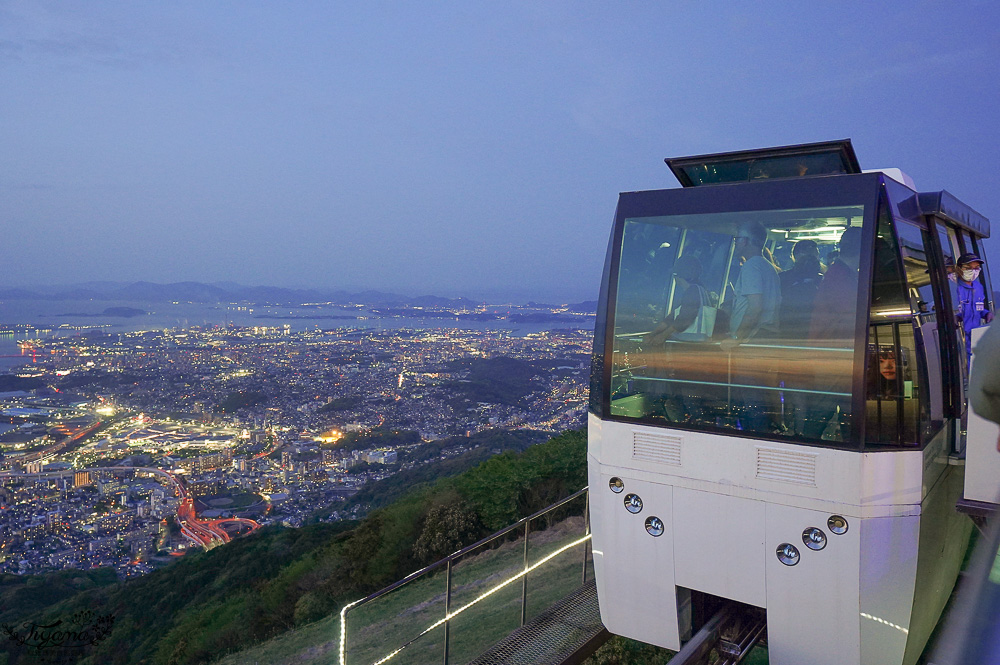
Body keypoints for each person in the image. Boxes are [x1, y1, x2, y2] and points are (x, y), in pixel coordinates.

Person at [720, 221, 781, 432]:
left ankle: (755, 439)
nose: (736, 244)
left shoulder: (751, 266)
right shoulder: (768, 267)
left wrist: (736, 338)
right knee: (761, 395)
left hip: (751, 342)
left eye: (737, 240)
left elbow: (755, 308)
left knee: (752, 398)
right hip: (764, 339)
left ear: (745, 241)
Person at [779, 239, 824, 340]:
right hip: (787, 331)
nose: (812, 259)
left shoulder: (824, 281)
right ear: (795, 256)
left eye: (814, 256)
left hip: (814, 331)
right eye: (807, 255)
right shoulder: (782, 280)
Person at [955, 252, 994, 364]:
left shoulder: (978, 286)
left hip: (976, 338)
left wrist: (987, 314)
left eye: (976, 268)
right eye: (968, 268)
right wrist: (955, 318)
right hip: (960, 339)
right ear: (959, 269)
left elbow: (978, 309)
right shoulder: (954, 288)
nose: (973, 271)